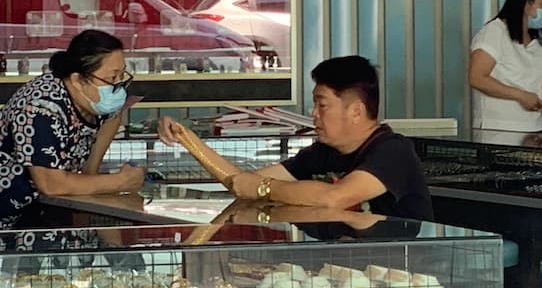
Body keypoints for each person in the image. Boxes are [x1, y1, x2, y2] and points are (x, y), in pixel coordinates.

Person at [160, 55, 432, 221]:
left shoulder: (392, 151)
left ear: (356, 111)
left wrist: (264, 188)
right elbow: (242, 183)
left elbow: (334, 197)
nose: (313, 113)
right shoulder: (323, 152)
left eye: (321, 105)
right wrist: (189, 140)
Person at [0, 30, 145, 229]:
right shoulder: (39, 110)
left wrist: (90, 175)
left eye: (122, 75)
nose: (119, 87)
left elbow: (113, 115)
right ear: (77, 80)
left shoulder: (94, 100)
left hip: (48, 212)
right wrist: (121, 181)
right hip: (9, 220)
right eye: (112, 78)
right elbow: (51, 184)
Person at [467, 0, 542, 136]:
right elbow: (477, 78)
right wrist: (521, 96)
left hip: (536, 129)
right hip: (497, 131)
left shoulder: (541, 42)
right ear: (526, 2)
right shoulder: (494, 33)